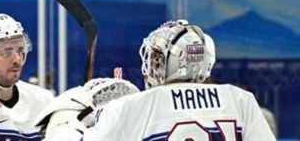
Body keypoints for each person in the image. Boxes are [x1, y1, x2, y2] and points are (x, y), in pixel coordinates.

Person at [41, 20, 277, 141]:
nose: (151, 66)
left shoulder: (139, 103)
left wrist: (69, 115)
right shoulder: (240, 99)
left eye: (155, 58)